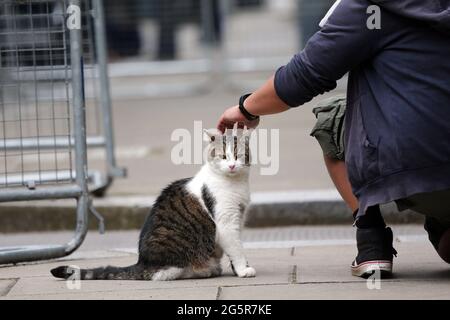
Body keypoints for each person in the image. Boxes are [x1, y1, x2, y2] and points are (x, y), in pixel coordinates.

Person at [216, 0, 450, 278]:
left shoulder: (370, 8)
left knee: (332, 118)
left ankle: (370, 237)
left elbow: (304, 76)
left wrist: (246, 109)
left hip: (416, 163)